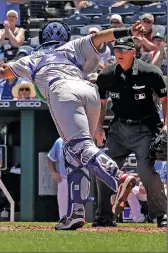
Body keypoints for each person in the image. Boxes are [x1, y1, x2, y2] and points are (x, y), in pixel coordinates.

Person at [0, 20, 146, 230]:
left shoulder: (32, 57)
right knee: (73, 153)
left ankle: (119, 178)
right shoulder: (70, 47)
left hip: (62, 90)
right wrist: (128, 31)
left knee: (80, 147)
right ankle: (75, 213)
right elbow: (102, 36)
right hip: (89, 90)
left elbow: (2, 72)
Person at [94, 37, 167, 228]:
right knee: (103, 168)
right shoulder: (107, 74)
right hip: (118, 129)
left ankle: (162, 216)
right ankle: (104, 217)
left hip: (145, 128)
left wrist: (166, 126)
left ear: (133, 52)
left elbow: (165, 99)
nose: (119, 54)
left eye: (123, 50)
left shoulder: (150, 72)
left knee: (145, 170)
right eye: (116, 50)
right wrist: (98, 126)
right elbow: (101, 103)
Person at [47, 137, 67, 219]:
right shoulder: (60, 141)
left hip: (78, 179)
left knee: (79, 209)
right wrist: (53, 172)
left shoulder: (81, 140)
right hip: (64, 179)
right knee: (63, 212)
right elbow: (50, 158)